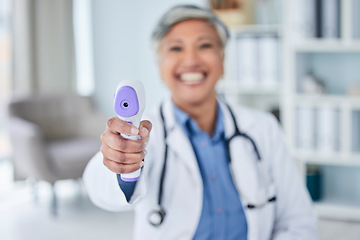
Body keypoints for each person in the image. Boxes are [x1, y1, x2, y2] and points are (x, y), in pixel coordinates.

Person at [83, 4, 318, 240]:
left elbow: (298, 220)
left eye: (205, 45)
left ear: (223, 61)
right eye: (176, 48)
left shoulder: (263, 128)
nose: (191, 60)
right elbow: (101, 189)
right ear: (160, 67)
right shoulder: (142, 134)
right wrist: (118, 162)